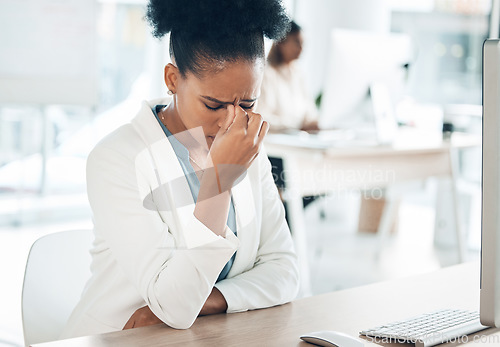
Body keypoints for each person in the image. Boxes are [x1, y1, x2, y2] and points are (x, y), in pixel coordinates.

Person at [61, 0, 299, 339]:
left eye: (247, 104)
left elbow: (284, 270)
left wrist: (211, 300)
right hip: (122, 339)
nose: (232, 121)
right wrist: (220, 179)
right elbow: (174, 305)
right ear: (173, 79)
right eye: (213, 104)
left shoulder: (248, 149)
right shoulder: (116, 159)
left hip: (210, 335)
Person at [257, 21, 319, 132]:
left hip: (297, 137)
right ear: (281, 42)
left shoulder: (298, 74)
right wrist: (297, 125)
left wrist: (313, 123)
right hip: (276, 140)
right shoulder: (266, 73)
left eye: (303, 44)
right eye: (297, 42)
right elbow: (262, 118)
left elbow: (309, 110)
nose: (301, 48)